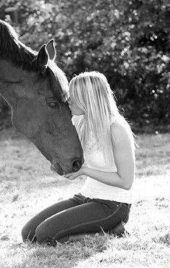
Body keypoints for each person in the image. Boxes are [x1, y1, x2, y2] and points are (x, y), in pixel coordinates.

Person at [21, 71, 136, 246]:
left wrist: (85, 171)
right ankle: (103, 230)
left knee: (45, 234)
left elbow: (126, 181)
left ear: (87, 98)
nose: (68, 100)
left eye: (73, 96)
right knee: (29, 234)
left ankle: (113, 231)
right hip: (85, 197)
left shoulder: (116, 128)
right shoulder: (80, 122)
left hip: (113, 205)